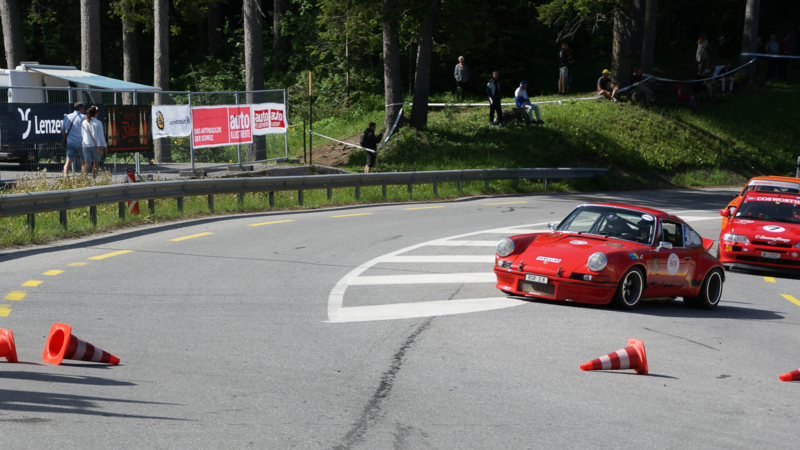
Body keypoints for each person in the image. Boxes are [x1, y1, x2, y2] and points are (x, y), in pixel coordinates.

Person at [80, 106, 107, 179]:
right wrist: (105, 145)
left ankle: (84, 179)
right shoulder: (98, 123)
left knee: (87, 163)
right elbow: (101, 136)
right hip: (96, 146)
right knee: (96, 163)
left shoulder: (84, 122)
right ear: (95, 114)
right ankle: (94, 178)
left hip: (85, 145)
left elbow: (82, 134)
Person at [61, 102, 85, 178]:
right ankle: (83, 177)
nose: (84, 110)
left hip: (70, 142)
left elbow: (62, 130)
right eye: (83, 108)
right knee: (83, 161)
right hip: (80, 142)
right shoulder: (84, 117)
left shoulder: (67, 117)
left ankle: (65, 176)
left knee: (68, 161)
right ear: (80, 108)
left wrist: (67, 137)